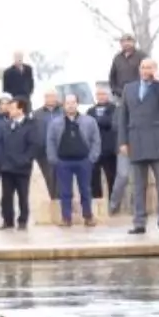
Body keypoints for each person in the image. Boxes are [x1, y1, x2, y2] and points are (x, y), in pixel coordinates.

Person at [116, 58, 159, 234]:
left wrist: (158, 81)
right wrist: (123, 141)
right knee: (138, 187)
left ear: (155, 69)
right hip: (137, 142)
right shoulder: (129, 88)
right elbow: (123, 117)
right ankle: (139, 222)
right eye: (143, 67)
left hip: (158, 143)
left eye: (149, 67)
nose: (145, 70)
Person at [47, 94, 101, 227]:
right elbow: (50, 141)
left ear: (77, 104)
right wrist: (54, 159)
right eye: (68, 103)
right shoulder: (55, 123)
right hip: (63, 162)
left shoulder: (89, 121)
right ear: (64, 105)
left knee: (86, 190)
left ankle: (88, 216)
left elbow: (96, 140)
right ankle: (66, 218)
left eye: (73, 102)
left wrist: (92, 158)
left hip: (83, 161)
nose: (70, 105)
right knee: (65, 192)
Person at [0, 97, 40, 230]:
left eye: (12, 107)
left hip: (22, 168)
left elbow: (33, 146)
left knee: (23, 195)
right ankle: (7, 220)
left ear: (20, 109)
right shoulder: (6, 124)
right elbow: (0, 143)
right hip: (7, 167)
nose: (9, 110)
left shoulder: (31, 125)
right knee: (6, 196)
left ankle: (22, 220)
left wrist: (25, 160)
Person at [87, 85, 118, 200]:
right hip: (94, 150)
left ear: (108, 95)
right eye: (98, 94)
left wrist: (97, 121)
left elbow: (111, 122)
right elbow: (88, 125)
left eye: (103, 94)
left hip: (110, 150)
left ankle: (112, 202)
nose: (101, 97)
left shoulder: (114, 108)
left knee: (112, 178)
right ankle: (97, 201)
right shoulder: (90, 110)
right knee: (94, 178)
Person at [31, 89, 62, 199]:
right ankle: (54, 199)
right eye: (48, 96)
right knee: (50, 177)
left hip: (61, 150)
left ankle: (64, 200)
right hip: (43, 151)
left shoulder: (63, 111)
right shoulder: (36, 114)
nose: (51, 99)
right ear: (44, 98)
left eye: (53, 96)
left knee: (62, 176)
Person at [109, 33, 148, 99]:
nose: (126, 43)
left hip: (138, 94)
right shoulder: (117, 58)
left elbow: (148, 73)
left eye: (129, 41)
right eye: (123, 41)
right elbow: (112, 76)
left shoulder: (142, 56)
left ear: (134, 42)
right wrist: (115, 90)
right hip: (121, 94)